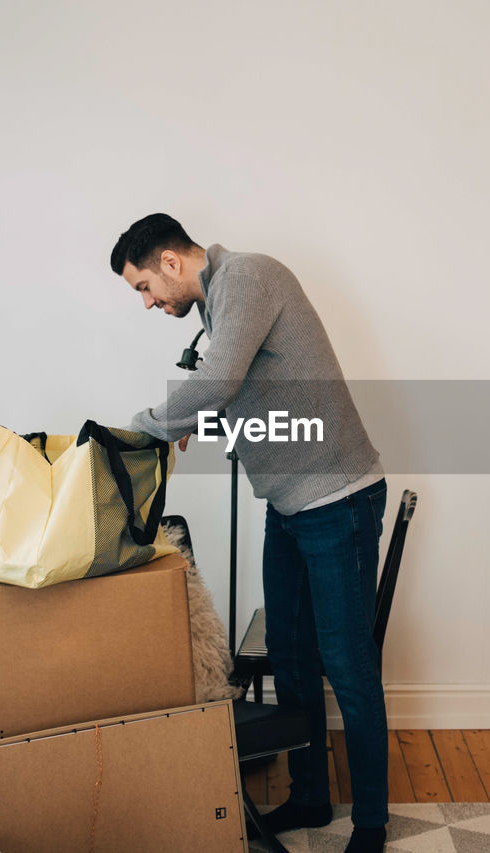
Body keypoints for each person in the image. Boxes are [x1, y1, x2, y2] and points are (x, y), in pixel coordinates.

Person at [110, 214, 389, 853]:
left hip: (337, 499)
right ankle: (312, 797)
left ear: (172, 262)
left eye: (145, 287)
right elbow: (262, 408)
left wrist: (147, 423)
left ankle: (371, 824)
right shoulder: (220, 307)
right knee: (290, 659)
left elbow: (220, 380)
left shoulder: (247, 277)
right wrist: (201, 424)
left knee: (347, 667)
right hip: (290, 507)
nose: (149, 303)